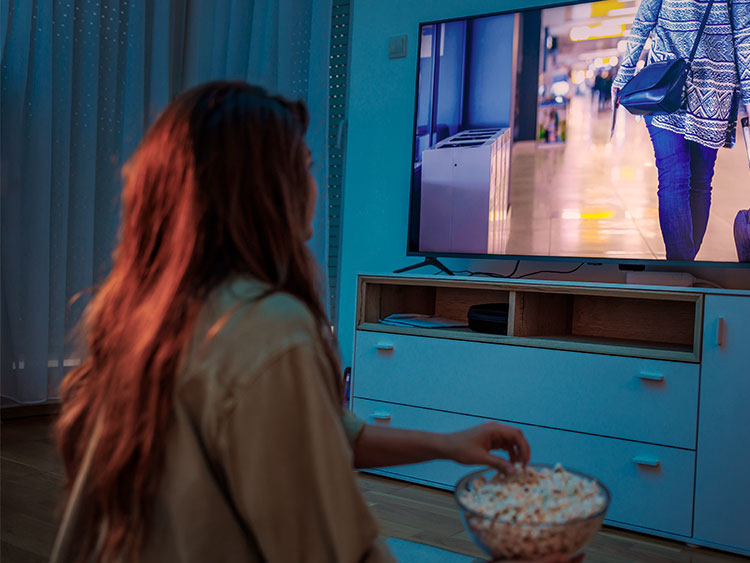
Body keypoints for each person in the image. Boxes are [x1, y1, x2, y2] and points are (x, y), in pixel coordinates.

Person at [51, 81, 574, 563]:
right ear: (260, 191)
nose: (313, 186)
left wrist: (449, 444)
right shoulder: (269, 328)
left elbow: (329, 436)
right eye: (303, 166)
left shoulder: (144, 312)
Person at [611, 0, 750, 261]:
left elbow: (744, 31)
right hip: (676, 88)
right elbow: (644, 22)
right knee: (681, 177)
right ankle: (681, 268)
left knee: (696, 179)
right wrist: (624, 74)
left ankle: (682, 267)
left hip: (691, 87)